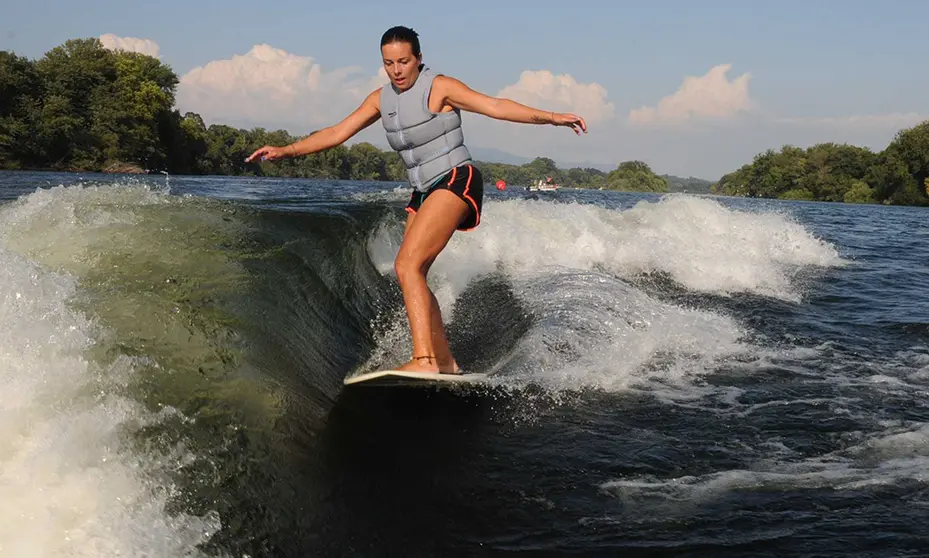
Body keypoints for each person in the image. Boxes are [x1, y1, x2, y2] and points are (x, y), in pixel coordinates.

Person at [246, 26, 587, 374]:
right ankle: (445, 361)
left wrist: (552, 118)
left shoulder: (440, 87)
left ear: (419, 58)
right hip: (422, 190)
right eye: (389, 63)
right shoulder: (380, 99)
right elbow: (337, 132)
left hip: (456, 178)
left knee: (406, 265)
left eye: (404, 61)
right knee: (414, 272)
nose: (397, 70)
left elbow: (495, 106)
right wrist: (286, 150)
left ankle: (423, 360)